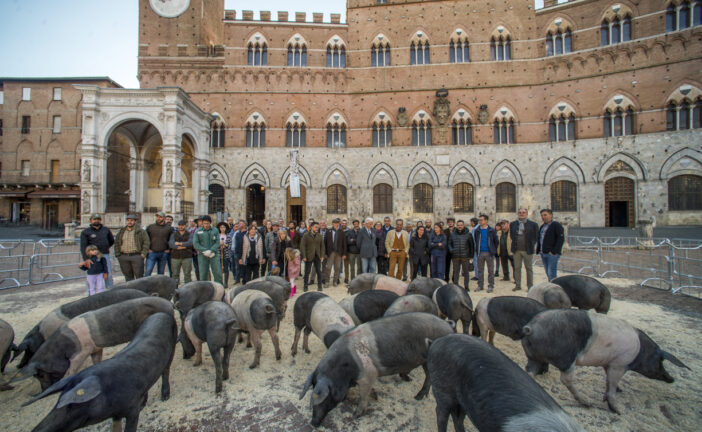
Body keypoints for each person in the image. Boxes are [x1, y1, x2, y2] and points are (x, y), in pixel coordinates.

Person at [80, 213, 115, 288]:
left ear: (100, 220)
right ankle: (91, 295)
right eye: (94, 219)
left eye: (98, 219)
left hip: (104, 255)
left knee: (108, 274)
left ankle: (110, 292)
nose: (96, 221)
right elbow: (83, 246)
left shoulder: (106, 230)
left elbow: (111, 241)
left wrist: (105, 247)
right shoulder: (86, 232)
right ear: (90, 221)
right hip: (92, 257)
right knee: (91, 276)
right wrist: (86, 259)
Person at [509, 208, 539, 291]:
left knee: (529, 268)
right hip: (517, 250)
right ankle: (518, 285)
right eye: (520, 212)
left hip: (527, 250)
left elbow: (536, 236)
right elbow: (512, 235)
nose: (521, 214)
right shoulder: (513, 224)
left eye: (523, 212)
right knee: (517, 268)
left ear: (526, 214)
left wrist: (531, 244)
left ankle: (530, 286)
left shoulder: (533, 224)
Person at [114, 214, 149, 281]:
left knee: (139, 276)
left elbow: (146, 242)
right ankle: (130, 290)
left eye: (131, 220)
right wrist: (118, 254)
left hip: (136, 256)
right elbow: (117, 243)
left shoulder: (141, 231)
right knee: (128, 276)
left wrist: (143, 254)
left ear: (135, 221)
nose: (129, 222)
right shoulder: (122, 231)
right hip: (124, 256)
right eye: (128, 220)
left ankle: (139, 290)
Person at [537, 209, 565, 281]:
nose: (543, 217)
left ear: (551, 215)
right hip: (543, 253)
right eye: (542, 215)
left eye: (545, 215)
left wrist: (554, 251)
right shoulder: (542, 226)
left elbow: (560, 239)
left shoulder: (556, 225)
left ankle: (554, 289)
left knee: (551, 273)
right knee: (548, 272)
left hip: (552, 254)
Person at [193, 215, 222, 283]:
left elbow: (217, 242)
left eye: (207, 223)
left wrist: (211, 250)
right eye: (204, 223)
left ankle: (219, 288)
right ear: (202, 223)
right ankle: (204, 290)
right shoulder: (197, 231)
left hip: (214, 254)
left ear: (210, 223)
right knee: (203, 274)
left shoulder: (215, 230)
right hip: (202, 255)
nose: (206, 225)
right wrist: (205, 251)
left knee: (217, 273)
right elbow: (196, 244)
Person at [474, 214, 499, 293]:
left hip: (489, 253)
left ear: (486, 221)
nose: (480, 221)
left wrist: (493, 250)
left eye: (481, 220)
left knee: (490, 270)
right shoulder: (477, 230)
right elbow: (476, 240)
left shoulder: (492, 230)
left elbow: (496, 241)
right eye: (479, 220)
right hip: (480, 252)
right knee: (480, 270)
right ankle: (480, 285)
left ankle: (490, 285)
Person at [448, 219, 475, 290]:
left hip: (465, 257)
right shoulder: (453, 234)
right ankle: (456, 286)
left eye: (461, 225)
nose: (460, 226)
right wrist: (451, 250)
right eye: (458, 225)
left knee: (466, 272)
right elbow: (449, 244)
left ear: (463, 225)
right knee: (456, 272)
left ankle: (466, 286)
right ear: (456, 226)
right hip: (455, 256)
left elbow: (471, 246)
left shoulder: (468, 235)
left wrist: (471, 256)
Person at [145, 212, 173, 276]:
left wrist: (169, 249)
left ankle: (159, 285)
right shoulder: (150, 227)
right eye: (157, 217)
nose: (158, 218)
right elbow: (145, 239)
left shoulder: (169, 228)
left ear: (164, 218)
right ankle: (146, 285)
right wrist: (148, 249)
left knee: (161, 272)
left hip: (163, 253)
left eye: (160, 217)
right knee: (148, 271)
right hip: (152, 252)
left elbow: (171, 239)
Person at [301, 222, 325, 291]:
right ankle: (305, 285)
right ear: (311, 227)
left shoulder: (319, 235)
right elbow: (302, 246)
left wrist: (322, 255)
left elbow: (322, 246)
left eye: (318, 227)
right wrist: (304, 256)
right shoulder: (306, 235)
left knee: (318, 271)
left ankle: (319, 286)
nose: (317, 228)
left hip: (317, 256)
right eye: (315, 227)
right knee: (307, 272)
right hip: (308, 256)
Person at [169, 220, 194, 285]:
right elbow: (171, 244)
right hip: (175, 256)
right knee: (175, 274)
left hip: (187, 256)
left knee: (187, 274)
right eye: (179, 225)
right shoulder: (174, 234)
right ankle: (175, 288)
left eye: (182, 225)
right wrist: (181, 247)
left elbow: (190, 243)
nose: (181, 227)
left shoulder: (190, 234)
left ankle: (188, 288)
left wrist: (179, 243)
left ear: (185, 226)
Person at [323, 218, 346, 286]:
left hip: (339, 252)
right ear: (332, 224)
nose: (336, 224)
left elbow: (344, 243)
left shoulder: (341, 232)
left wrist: (344, 253)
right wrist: (325, 253)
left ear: (339, 224)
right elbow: (325, 243)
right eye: (335, 223)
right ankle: (327, 281)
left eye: (337, 223)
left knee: (337, 267)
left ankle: (335, 281)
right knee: (328, 267)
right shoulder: (328, 231)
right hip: (330, 252)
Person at [217, 222, 232, 287]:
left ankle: (226, 283)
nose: (222, 229)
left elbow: (230, 246)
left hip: (226, 254)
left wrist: (225, 244)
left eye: (224, 227)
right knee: (218, 268)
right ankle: (220, 282)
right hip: (218, 254)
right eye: (221, 227)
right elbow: (214, 245)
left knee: (226, 268)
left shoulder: (228, 236)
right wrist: (219, 244)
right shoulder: (217, 236)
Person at [470, 217, 480, 281]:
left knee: (476, 262)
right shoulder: (479, 228)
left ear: (473, 222)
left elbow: (473, 240)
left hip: (476, 248)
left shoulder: (475, 229)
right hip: (479, 248)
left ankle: (477, 276)